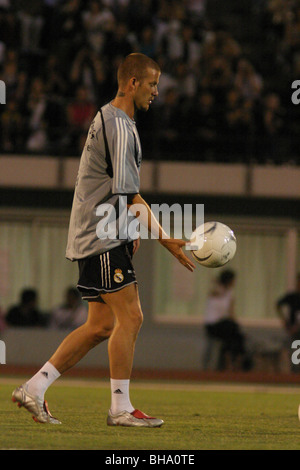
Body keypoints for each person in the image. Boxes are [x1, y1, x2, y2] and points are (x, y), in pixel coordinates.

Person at [12, 53, 195, 427]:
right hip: (100, 235)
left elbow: (115, 192)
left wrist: (127, 230)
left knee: (101, 325)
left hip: (97, 232)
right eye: (152, 84)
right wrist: (166, 241)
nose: (156, 92)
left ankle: (35, 388)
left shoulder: (107, 118)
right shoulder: (121, 125)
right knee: (131, 316)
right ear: (132, 83)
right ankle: (120, 408)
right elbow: (131, 196)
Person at [204, 270, 251, 371]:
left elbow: (231, 313)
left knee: (236, 336)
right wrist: (220, 284)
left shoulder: (230, 294)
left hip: (224, 325)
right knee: (232, 330)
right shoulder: (217, 290)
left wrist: (240, 327)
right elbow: (215, 292)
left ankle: (233, 362)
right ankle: (231, 362)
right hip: (212, 325)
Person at [276, 273, 300, 373]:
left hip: (297, 327)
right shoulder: (292, 297)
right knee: (295, 349)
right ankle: (295, 372)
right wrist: (284, 320)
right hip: (292, 329)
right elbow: (278, 304)